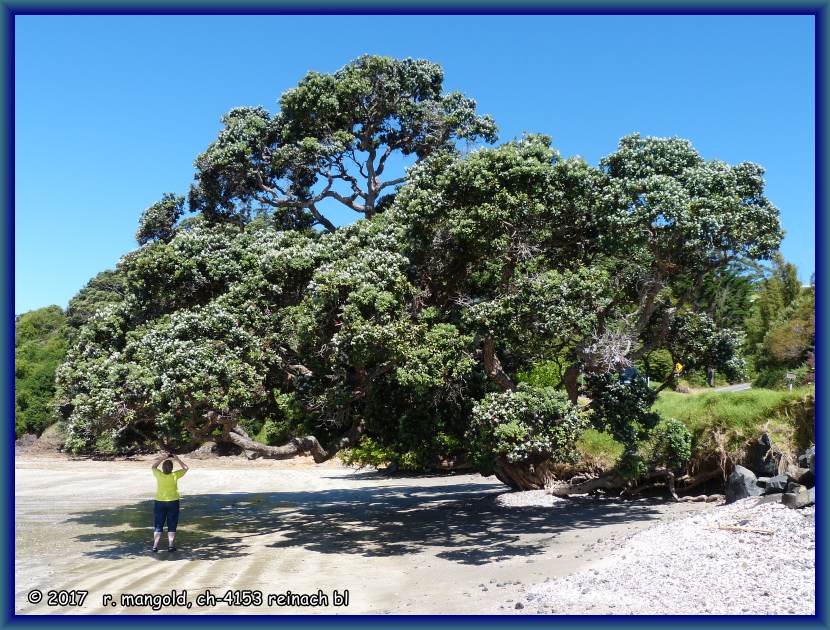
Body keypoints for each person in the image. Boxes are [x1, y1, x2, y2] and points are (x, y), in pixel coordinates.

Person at [151, 452, 188, 553]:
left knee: (158, 524)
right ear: (171, 468)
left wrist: (162, 458)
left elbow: (153, 467)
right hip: (173, 502)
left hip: (159, 502)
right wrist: (177, 459)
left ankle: (155, 546)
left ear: (163, 468)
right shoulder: (175, 475)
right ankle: (171, 545)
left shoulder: (159, 474)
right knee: (172, 524)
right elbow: (186, 468)